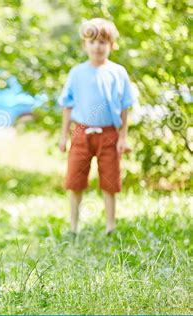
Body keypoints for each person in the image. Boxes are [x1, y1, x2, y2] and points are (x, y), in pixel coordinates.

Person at [58, 18, 135, 235]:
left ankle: (110, 226)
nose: (97, 46)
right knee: (75, 180)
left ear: (111, 45)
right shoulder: (77, 73)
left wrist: (122, 137)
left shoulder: (118, 72)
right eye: (92, 42)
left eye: (103, 42)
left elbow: (125, 107)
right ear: (85, 45)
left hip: (109, 134)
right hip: (81, 133)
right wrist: (64, 136)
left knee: (110, 181)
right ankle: (74, 226)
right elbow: (67, 105)